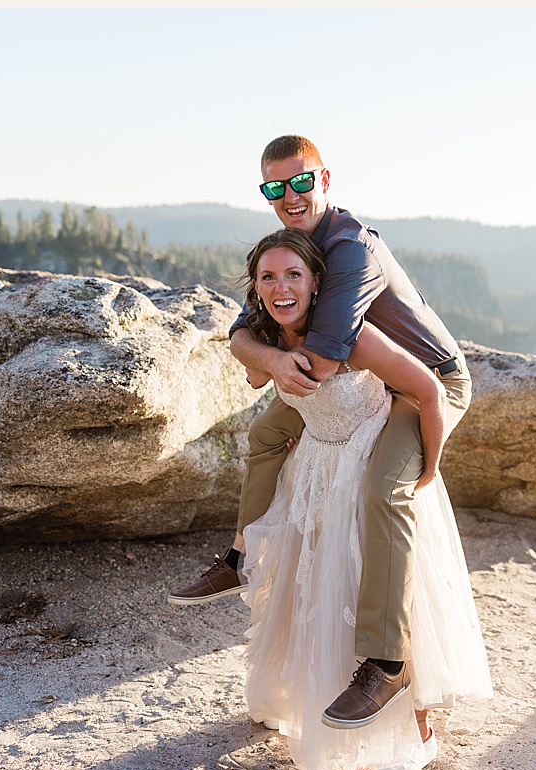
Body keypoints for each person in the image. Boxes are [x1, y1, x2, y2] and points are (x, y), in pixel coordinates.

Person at [171, 135, 477, 732]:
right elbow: (242, 334)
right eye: (275, 187)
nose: (290, 196)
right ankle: (241, 552)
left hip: (420, 383)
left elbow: (328, 355)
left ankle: (386, 661)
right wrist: (262, 355)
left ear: (325, 180)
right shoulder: (289, 252)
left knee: (383, 491)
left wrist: (272, 362)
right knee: (264, 434)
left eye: (301, 181)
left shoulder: (351, 249)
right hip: (350, 376)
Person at [229, 229, 490, 770]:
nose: (281, 287)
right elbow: (250, 365)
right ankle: (285, 678)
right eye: (268, 278)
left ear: (318, 281)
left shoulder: (353, 332)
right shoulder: (270, 334)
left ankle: (413, 734)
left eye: (294, 275)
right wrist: (269, 356)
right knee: (314, 580)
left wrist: (429, 464)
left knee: (372, 572)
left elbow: (427, 389)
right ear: (254, 289)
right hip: (322, 464)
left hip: (373, 452)